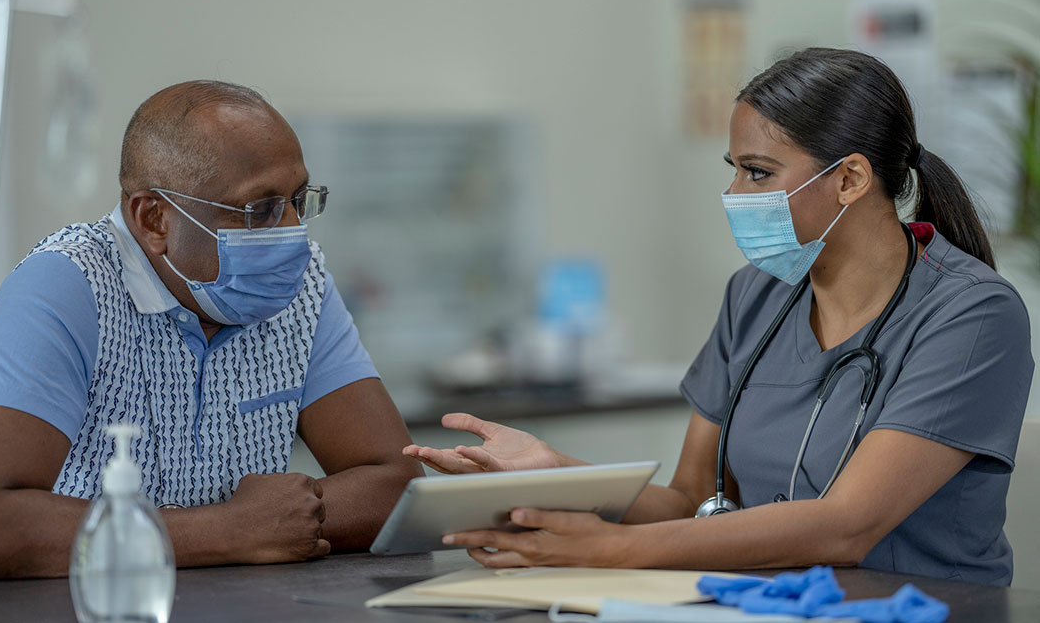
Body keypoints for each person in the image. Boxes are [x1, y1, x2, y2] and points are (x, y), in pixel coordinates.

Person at [404, 48, 1034, 586]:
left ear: (850, 180)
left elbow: (848, 525)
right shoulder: (754, 297)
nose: (735, 195)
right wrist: (558, 475)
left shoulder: (973, 316)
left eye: (758, 173)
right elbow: (691, 504)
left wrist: (609, 549)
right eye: (733, 170)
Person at [0, 80, 422, 578]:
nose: (293, 231)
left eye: (297, 199)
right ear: (154, 219)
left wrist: (277, 521)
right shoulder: (67, 283)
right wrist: (227, 531)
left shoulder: (299, 283)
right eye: (262, 210)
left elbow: (397, 486)